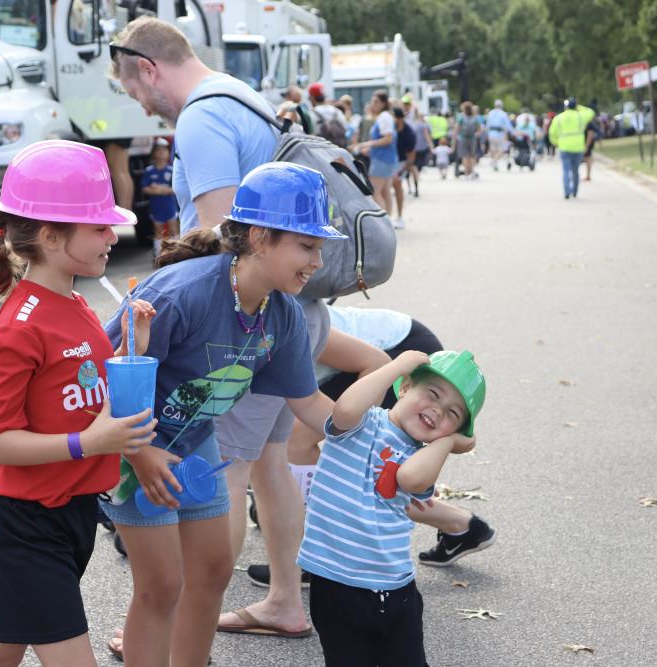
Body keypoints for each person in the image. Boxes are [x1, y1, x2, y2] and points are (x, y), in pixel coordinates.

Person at [101, 162, 343, 666]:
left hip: (195, 448)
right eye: (307, 246)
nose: (317, 261)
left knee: (211, 573)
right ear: (259, 237)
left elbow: (313, 407)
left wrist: (380, 432)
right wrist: (142, 455)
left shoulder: (283, 313)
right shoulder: (177, 294)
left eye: (319, 248)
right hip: (130, 450)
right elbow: (101, 381)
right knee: (161, 586)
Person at [0, 141, 158, 667]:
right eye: (98, 227)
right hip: (25, 524)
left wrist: (131, 346)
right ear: (50, 236)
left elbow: (84, 387)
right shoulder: (18, 328)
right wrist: (88, 443)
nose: (113, 237)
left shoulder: (75, 303)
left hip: (72, 510)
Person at [298, 349, 486, 667]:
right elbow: (344, 409)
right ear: (407, 386)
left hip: (397, 590)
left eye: (453, 415)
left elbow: (410, 479)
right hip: (337, 587)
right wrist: (396, 366)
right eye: (433, 394)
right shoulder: (361, 423)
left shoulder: (421, 456)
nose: (438, 412)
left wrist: (447, 443)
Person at [284, 306, 497, 568]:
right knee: (370, 475)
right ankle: (462, 525)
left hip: (403, 356)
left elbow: (376, 362)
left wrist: (399, 370)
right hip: (394, 369)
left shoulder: (286, 318)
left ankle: (308, 556)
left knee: (306, 445)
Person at [109, 17, 278, 234]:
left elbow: (221, 239)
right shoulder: (238, 92)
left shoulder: (202, 117)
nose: (147, 111)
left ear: (148, 70)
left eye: (137, 95)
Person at [353, 90, 396, 213]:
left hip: (381, 159)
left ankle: (383, 223)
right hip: (385, 158)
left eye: (376, 102)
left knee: (375, 192)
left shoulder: (384, 117)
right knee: (385, 191)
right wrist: (371, 149)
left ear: (383, 103)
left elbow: (388, 139)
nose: (373, 105)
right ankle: (388, 222)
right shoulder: (385, 116)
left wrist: (366, 144)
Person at [548, 97, 595, 199]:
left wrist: (556, 143)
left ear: (566, 106)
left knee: (566, 170)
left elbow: (552, 133)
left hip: (564, 147)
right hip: (578, 147)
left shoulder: (559, 118)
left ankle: (567, 192)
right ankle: (574, 191)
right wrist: (578, 106)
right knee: (575, 171)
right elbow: (591, 112)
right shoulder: (580, 116)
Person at [141, 137, 179, 258]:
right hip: (156, 207)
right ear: (153, 153)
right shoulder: (149, 171)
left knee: (173, 229)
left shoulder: (171, 170)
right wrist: (157, 191)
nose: (162, 153)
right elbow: (144, 187)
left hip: (169, 206)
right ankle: (159, 254)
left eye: (165, 150)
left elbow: (176, 188)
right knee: (158, 231)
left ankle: (175, 253)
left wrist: (162, 190)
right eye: (158, 150)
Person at [390, 107, 416, 230]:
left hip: (401, 162)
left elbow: (411, 156)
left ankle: (399, 216)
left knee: (398, 186)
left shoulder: (409, 133)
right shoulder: (389, 128)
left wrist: (401, 171)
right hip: (388, 160)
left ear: (398, 119)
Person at [309, 82, 348, 148]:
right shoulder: (337, 112)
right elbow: (345, 129)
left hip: (320, 152)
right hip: (338, 152)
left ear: (312, 98)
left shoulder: (311, 114)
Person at [453, 101, 481, 179]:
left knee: (465, 156)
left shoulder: (461, 117)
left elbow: (456, 129)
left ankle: (466, 173)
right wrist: (476, 134)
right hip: (472, 138)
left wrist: (454, 138)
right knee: (472, 156)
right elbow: (480, 130)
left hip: (463, 138)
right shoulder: (475, 117)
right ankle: (471, 172)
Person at [486, 99, 513, 171]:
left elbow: (487, 124)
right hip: (499, 134)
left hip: (491, 133)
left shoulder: (490, 113)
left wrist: (487, 134)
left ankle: (495, 164)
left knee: (494, 150)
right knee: (501, 150)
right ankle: (494, 161)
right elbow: (508, 124)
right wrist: (512, 132)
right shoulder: (503, 114)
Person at [583, 117, 599, 181]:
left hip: (588, 143)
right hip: (586, 142)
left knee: (587, 158)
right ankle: (588, 175)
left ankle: (588, 176)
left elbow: (590, 135)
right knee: (587, 158)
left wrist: (586, 146)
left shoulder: (589, 123)